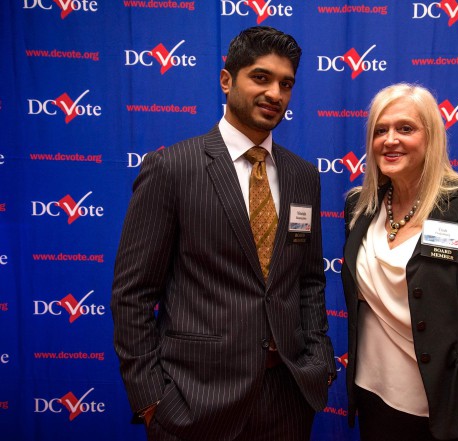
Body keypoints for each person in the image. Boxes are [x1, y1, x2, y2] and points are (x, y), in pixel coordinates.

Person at [111, 26, 335, 441]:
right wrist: (151, 399)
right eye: (261, 77)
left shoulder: (304, 176)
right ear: (227, 79)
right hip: (194, 403)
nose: (275, 94)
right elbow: (133, 293)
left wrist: (318, 361)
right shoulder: (173, 168)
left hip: (287, 399)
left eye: (286, 84)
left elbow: (308, 280)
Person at [341, 83, 458, 441]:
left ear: (432, 137)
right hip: (375, 394)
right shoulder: (359, 207)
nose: (390, 139)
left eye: (405, 128)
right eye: (381, 130)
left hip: (456, 401)